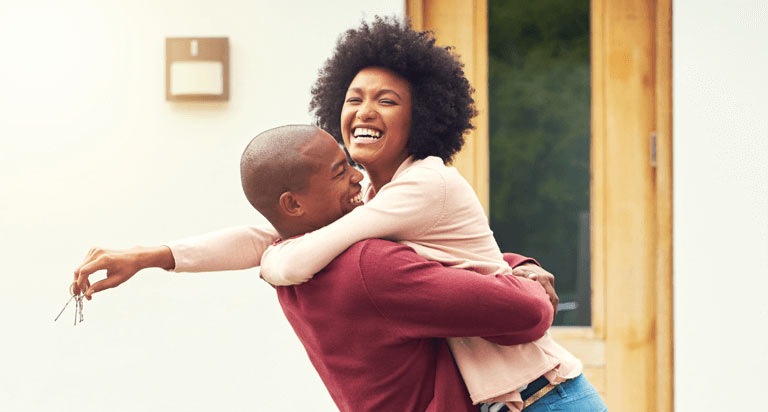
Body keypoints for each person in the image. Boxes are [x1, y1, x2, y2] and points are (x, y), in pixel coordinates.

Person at [76, 17, 607, 412]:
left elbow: (289, 253)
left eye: (388, 101)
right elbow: (266, 236)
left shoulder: (425, 181)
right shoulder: (374, 196)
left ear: (420, 116)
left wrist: (276, 264)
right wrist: (156, 255)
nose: (364, 111)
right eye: (354, 98)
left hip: (547, 396)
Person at [74, 125, 556, 411]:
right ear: (294, 203)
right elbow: (524, 315)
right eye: (339, 172)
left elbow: (258, 240)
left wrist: (148, 255)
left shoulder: (294, 261)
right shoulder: (369, 263)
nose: (359, 176)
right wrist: (525, 275)